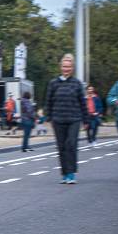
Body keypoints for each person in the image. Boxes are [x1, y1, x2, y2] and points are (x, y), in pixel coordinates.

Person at [45, 53, 88, 184]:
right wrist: (48, 116)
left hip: (74, 119)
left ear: (72, 68)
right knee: (61, 147)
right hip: (58, 119)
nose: (66, 69)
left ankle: (71, 174)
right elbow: (49, 101)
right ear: (60, 67)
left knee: (71, 145)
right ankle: (64, 174)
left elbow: (83, 103)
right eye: (64, 67)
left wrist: (86, 120)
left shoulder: (77, 83)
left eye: (68, 67)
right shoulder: (53, 83)